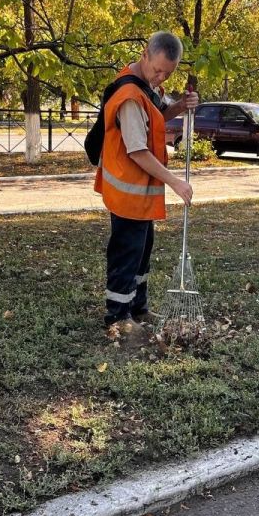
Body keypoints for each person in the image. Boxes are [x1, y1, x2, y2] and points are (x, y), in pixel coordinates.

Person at [94, 31, 199, 343]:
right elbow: (137, 151)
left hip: (141, 192)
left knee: (142, 251)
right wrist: (175, 181)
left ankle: (138, 308)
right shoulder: (129, 96)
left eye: (168, 73)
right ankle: (117, 317)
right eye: (158, 70)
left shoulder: (147, 87)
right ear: (144, 55)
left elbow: (156, 118)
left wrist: (180, 106)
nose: (161, 77)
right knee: (127, 253)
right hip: (127, 192)